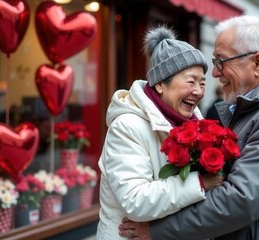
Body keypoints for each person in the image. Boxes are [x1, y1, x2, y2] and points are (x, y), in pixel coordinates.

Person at [119, 15, 259, 240]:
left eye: (221, 61)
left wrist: (157, 231)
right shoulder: (254, 108)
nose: (216, 72)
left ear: (257, 63)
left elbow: (240, 200)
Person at [96, 26, 224, 240]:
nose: (199, 91)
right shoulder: (127, 126)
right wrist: (200, 182)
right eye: (190, 81)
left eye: (202, 83)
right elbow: (135, 200)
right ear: (160, 84)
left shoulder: (192, 122)